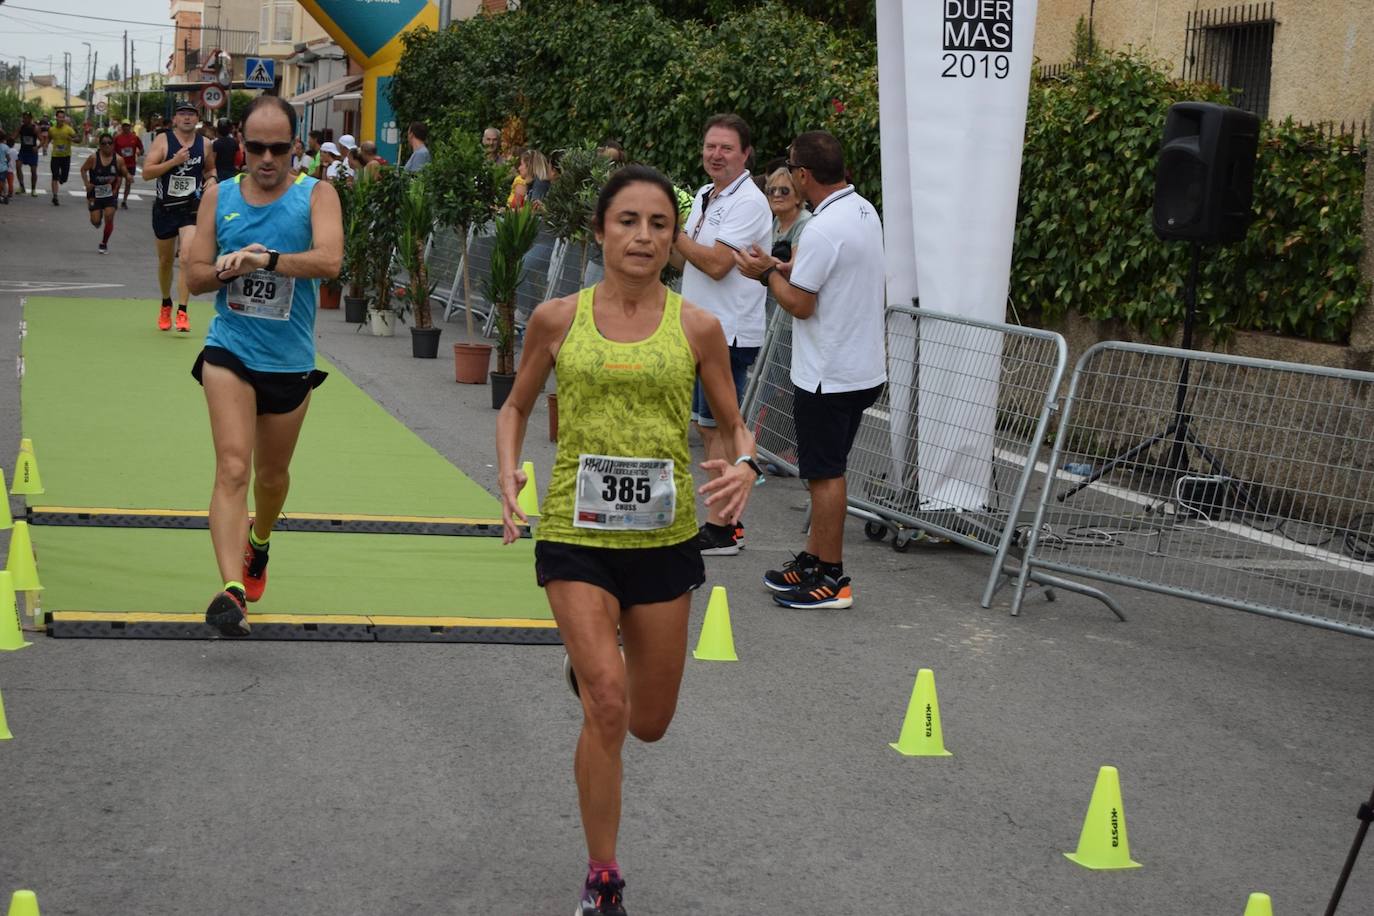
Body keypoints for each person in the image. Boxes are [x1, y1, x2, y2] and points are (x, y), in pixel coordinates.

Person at [496, 164, 761, 916]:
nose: (643, 236)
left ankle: (590, 675)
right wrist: (508, 473)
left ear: (674, 240)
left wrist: (743, 465)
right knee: (609, 706)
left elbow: (734, 424)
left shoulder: (698, 327)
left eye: (658, 225)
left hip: (663, 540)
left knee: (647, 723)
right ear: (600, 230)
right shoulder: (557, 319)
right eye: (628, 222)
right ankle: (603, 874)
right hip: (575, 534)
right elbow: (515, 408)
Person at [183, 94, 343, 638]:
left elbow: (330, 260)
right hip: (230, 347)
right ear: (240, 146)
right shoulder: (218, 196)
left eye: (279, 148)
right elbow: (195, 277)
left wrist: (266, 260)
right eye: (256, 147)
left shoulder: (318, 194)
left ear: (296, 147)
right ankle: (231, 590)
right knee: (232, 466)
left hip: (290, 360)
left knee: (271, 480)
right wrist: (228, 271)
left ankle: (259, 543)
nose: (267, 158)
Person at [733, 130, 886, 610]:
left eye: (791, 171)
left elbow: (800, 303)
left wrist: (764, 276)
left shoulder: (821, 227)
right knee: (825, 471)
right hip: (859, 368)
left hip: (828, 371)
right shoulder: (861, 209)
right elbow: (812, 266)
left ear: (802, 175)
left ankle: (833, 577)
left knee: (824, 475)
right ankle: (816, 560)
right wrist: (776, 264)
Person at [669, 113, 773, 557]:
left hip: (728, 333)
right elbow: (686, 263)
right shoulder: (706, 195)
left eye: (726, 148)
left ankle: (725, 526)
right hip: (700, 329)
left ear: (745, 154)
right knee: (709, 427)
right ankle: (722, 522)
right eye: (711, 146)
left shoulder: (748, 201)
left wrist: (670, 231)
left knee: (721, 428)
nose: (716, 155)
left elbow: (715, 264)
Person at [143, 101, 215, 333]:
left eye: (191, 115)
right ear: (175, 119)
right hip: (165, 208)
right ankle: (166, 302)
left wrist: (212, 179)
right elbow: (146, 173)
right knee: (165, 262)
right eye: (182, 114)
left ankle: (183, 310)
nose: (187, 118)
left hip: (190, 208)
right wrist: (174, 162)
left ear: (197, 120)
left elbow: (210, 169)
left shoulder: (205, 144)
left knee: (186, 257)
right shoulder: (163, 140)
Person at [81, 132, 132, 252]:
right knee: (95, 221)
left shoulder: (119, 159)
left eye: (109, 143)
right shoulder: (93, 158)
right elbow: (83, 169)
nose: (107, 146)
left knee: (109, 216)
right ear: (100, 145)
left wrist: (128, 176)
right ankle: (97, 221)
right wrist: (87, 183)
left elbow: (124, 172)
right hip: (94, 193)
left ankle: (104, 243)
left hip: (110, 193)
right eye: (104, 143)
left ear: (113, 145)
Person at [765, 165, 811, 264]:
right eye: (771, 190)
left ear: (798, 197)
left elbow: (794, 265)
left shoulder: (804, 222)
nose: (776, 194)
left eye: (784, 191)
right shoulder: (777, 220)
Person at [46, 110, 78, 207]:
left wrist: (71, 139)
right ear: (56, 118)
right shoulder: (51, 129)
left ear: (64, 118)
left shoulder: (68, 129)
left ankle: (62, 178)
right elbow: (49, 138)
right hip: (55, 156)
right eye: (59, 117)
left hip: (66, 156)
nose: (60, 119)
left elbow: (78, 139)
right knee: (54, 176)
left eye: (62, 117)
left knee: (64, 179)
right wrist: (45, 145)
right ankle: (55, 196)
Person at [111, 121, 145, 209]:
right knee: (117, 183)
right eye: (124, 126)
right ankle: (115, 200)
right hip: (119, 164)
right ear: (122, 127)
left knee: (128, 184)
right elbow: (112, 150)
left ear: (130, 127)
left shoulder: (135, 138)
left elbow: (141, 149)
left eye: (127, 126)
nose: (125, 127)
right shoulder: (117, 138)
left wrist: (140, 152)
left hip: (131, 164)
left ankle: (124, 201)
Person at [16, 112, 39, 196]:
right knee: (18, 165)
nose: (24, 119)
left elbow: (42, 140)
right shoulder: (21, 127)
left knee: (33, 171)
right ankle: (22, 186)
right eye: (23, 118)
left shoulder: (35, 128)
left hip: (32, 152)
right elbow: (13, 136)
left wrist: (38, 147)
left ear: (30, 119)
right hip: (23, 151)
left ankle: (33, 189)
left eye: (26, 118)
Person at [212, 118, 239, 184]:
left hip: (219, 172)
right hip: (231, 172)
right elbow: (238, 158)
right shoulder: (234, 142)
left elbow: (212, 159)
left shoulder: (216, 143)